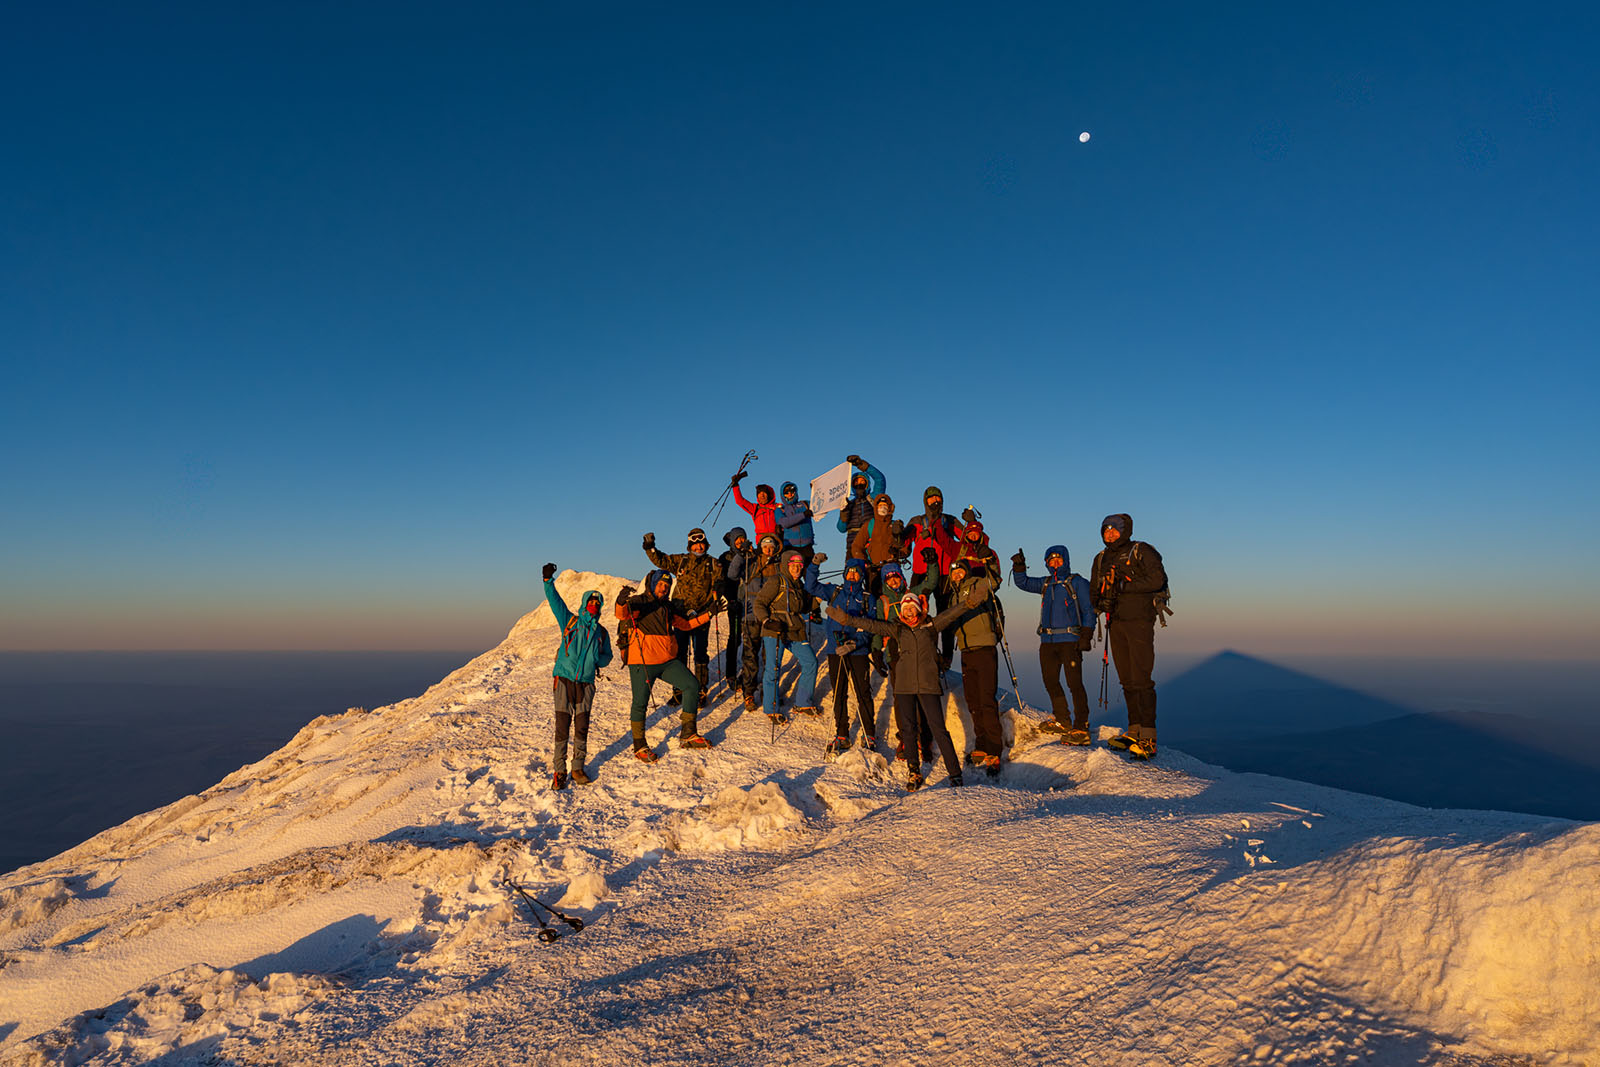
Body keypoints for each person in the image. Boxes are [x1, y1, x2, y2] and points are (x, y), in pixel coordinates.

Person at [827, 591, 970, 791]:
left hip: (928, 685)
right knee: (908, 730)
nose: (909, 612)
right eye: (905, 608)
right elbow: (872, 625)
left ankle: (955, 774)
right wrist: (847, 620)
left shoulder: (931, 626)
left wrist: (969, 602)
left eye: (912, 608)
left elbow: (950, 614)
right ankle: (914, 772)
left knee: (939, 729)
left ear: (918, 609)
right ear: (901, 611)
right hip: (904, 686)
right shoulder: (898, 629)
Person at [614, 569, 725, 758]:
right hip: (643, 662)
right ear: (652, 584)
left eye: (667, 585)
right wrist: (620, 601)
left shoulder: (668, 606)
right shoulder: (640, 602)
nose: (663, 588)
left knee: (691, 685)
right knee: (640, 703)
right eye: (660, 584)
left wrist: (709, 614)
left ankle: (688, 734)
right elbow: (622, 614)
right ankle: (639, 745)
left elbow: (686, 624)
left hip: (666, 661)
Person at [1090, 514, 1168, 759]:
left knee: (1142, 678)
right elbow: (1095, 590)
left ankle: (1149, 737)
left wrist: (1125, 586)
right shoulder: (1101, 558)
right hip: (1116, 622)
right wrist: (1099, 605)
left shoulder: (1141, 550)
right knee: (1126, 679)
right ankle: (1134, 731)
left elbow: (1158, 579)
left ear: (1125, 531)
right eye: (1106, 530)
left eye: (1115, 529)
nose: (1110, 533)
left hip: (1139, 621)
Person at [1012, 545, 1096, 745]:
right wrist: (1019, 567)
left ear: (1066, 561)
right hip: (1047, 641)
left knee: (1074, 683)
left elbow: (1088, 610)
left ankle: (1081, 725)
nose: (1055, 563)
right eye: (1051, 560)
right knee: (1050, 681)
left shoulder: (1077, 582)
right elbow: (1023, 583)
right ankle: (1062, 719)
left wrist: (1086, 635)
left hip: (1070, 641)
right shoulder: (1046, 583)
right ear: (1047, 563)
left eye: (1059, 560)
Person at [541, 563, 612, 788]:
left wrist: (595, 660)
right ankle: (559, 770)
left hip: (586, 683)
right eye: (591, 602)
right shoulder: (570, 622)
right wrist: (547, 581)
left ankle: (578, 768)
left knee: (582, 726)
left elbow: (608, 656)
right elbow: (556, 603)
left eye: (597, 603)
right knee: (562, 726)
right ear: (584, 604)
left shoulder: (602, 632)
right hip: (564, 679)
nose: (594, 606)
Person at [941, 556, 1004, 775]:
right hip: (966, 651)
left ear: (966, 573)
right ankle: (982, 745)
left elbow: (994, 581)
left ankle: (995, 750)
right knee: (973, 701)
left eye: (960, 571)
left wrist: (990, 562)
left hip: (985, 648)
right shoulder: (952, 597)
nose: (957, 575)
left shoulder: (977, 584)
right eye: (954, 573)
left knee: (986, 700)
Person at [643, 527, 721, 706]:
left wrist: (717, 598)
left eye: (701, 544)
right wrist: (650, 547)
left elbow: (721, 581)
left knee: (700, 654)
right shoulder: (681, 561)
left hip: (702, 615)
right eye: (695, 544)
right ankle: (678, 691)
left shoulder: (713, 564)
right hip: (680, 615)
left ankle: (700, 691)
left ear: (706, 544)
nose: (699, 547)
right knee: (679, 654)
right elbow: (661, 560)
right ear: (689, 546)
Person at [812, 558, 878, 756]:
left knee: (863, 693)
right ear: (844, 573)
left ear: (861, 576)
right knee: (839, 692)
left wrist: (855, 643)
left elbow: (870, 626)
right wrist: (814, 565)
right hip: (836, 650)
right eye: (849, 571)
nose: (852, 575)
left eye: (856, 572)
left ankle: (869, 734)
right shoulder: (835, 591)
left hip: (858, 652)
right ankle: (842, 734)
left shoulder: (867, 598)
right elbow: (811, 586)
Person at [749, 549, 821, 722]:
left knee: (811, 662)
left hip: (794, 629)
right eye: (793, 565)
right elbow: (759, 603)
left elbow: (803, 608)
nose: (796, 568)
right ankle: (771, 708)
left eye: (799, 565)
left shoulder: (799, 585)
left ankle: (803, 702)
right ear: (785, 565)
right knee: (773, 668)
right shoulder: (777, 581)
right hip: (775, 629)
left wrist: (818, 600)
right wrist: (767, 621)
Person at [902, 486, 966, 668]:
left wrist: (970, 524)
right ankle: (913, 649)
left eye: (937, 499)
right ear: (925, 501)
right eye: (931, 499)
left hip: (945, 573)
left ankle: (946, 657)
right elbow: (904, 542)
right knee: (914, 610)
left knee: (945, 615)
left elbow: (966, 539)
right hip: (921, 572)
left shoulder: (949, 521)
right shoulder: (917, 521)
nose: (934, 502)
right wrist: (898, 536)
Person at [738, 532, 784, 712]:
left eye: (771, 547)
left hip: (771, 618)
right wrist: (741, 554)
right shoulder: (751, 563)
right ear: (760, 548)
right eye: (765, 546)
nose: (768, 550)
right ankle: (749, 692)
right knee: (750, 656)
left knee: (769, 657)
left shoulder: (779, 567)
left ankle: (768, 692)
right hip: (751, 616)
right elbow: (733, 573)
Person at [718, 526, 751, 697]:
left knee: (750, 639)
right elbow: (723, 579)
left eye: (742, 538)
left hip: (750, 603)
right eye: (737, 539)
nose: (740, 542)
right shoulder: (725, 557)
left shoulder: (751, 554)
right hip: (734, 603)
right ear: (732, 541)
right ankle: (731, 674)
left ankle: (748, 673)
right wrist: (730, 599)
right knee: (735, 638)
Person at [834, 455, 886, 562]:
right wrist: (844, 514)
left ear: (867, 484)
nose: (859, 484)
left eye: (862, 482)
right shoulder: (848, 504)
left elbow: (880, 479)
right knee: (853, 572)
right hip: (852, 546)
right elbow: (841, 528)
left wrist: (861, 465)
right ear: (852, 486)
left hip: (872, 543)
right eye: (856, 482)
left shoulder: (873, 499)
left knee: (873, 572)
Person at [774, 481, 817, 565]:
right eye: (786, 492)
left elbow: (819, 504)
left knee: (810, 571)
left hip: (807, 546)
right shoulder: (781, 509)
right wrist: (803, 515)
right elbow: (784, 523)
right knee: (793, 571)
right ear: (783, 494)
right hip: (790, 546)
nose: (790, 494)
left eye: (792, 491)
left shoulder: (805, 504)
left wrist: (815, 490)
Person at [731, 474, 779, 542]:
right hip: (761, 541)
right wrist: (735, 486)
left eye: (764, 493)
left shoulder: (777, 507)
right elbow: (739, 501)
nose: (762, 495)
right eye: (759, 493)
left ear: (769, 495)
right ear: (757, 496)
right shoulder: (755, 508)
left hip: (776, 540)